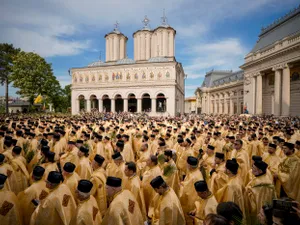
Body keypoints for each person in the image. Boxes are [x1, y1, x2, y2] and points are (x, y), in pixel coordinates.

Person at [245, 160, 276, 225]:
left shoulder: (260, 184)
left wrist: (247, 192)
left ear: (260, 171)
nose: (252, 170)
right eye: (252, 167)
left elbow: (251, 198)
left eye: (254, 169)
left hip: (258, 209)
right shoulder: (265, 179)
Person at [179, 156, 204, 225]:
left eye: (187, 163)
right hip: (193, 199)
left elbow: (187, 191)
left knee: (190, 219)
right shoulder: (194, 172)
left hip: (192, 201)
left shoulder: (194, 176)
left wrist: (180, 186)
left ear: (189, 165)